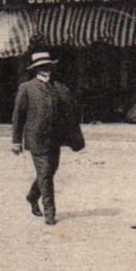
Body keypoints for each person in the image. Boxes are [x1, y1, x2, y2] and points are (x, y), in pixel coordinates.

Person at [11, 51, 86, 225]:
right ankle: (50, 214)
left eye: (49, 66)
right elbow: (18, 116)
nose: (47, 69)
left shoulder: (59, 88)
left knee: (50, 171)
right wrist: (16, 141)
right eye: (42, 67)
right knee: (45, 174)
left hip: (55, 139)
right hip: (36, 138)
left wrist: (73, 136)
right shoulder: (27, 88)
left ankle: (32, 196)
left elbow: (70, 113)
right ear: (36, 69)